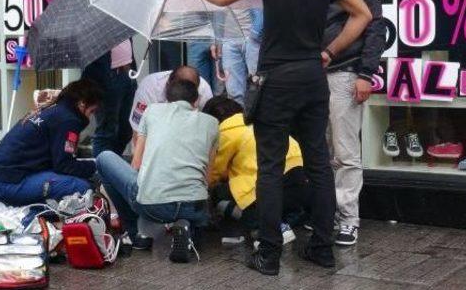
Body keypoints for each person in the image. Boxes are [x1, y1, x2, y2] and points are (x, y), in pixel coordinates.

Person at [167, 0, 372, 275]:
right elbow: (363, 14)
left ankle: (269, 255)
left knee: (271, 167)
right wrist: (329, 51)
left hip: (277, 79)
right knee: (319, 164)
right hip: (312, 76)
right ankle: (322, 249)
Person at [305, 0, 385, 247]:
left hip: (345, 72)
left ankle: (348, 219)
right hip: (319, 73)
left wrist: (365, 73)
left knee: (345, 151)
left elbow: (376, 28)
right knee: (322, 149)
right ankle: (328, 215)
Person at [97, 79, 219, 264]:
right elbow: (207, 177)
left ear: (167, 99)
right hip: (195, 204)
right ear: (196, 101)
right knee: (190, 200)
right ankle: (187, 227)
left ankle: (138, 234)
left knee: (105, 158)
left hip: (154, 206)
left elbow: (136, 164)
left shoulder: (152, 111)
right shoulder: (212, 123)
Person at [0, 80, 102, 208]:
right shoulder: (69, 120)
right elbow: (64, 166)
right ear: (82, 104)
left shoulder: (53, 109)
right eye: (92, 111)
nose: (91, 116)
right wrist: (96, 166)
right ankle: (27, 213)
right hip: (10, 182)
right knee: (83, 187)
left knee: (62, 181)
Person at [202, 96, 309, 243]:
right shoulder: (260, 122)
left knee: (227, 197)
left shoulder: (225, 132)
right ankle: (291, 218)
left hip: (267, 188)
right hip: (299, 180)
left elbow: (214, 173)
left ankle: (275, 227)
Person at [81, 0, 137, 157]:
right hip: (104, 76)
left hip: (126, 72)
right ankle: (105, 179)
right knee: (106, 131)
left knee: (126, 129)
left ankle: (108, 172)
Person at [204, 0, 267, 106]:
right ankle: (238, 130)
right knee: (234, 93)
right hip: (229, 35)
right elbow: (217, 1)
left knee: (258, 90)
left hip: (255, 35)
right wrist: (217, 38)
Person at [129, 66, 213, 144]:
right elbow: (138, 132)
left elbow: (207, 132)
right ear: (168, 84)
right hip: (153, 137)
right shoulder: (149, 87)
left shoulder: (204, 91)